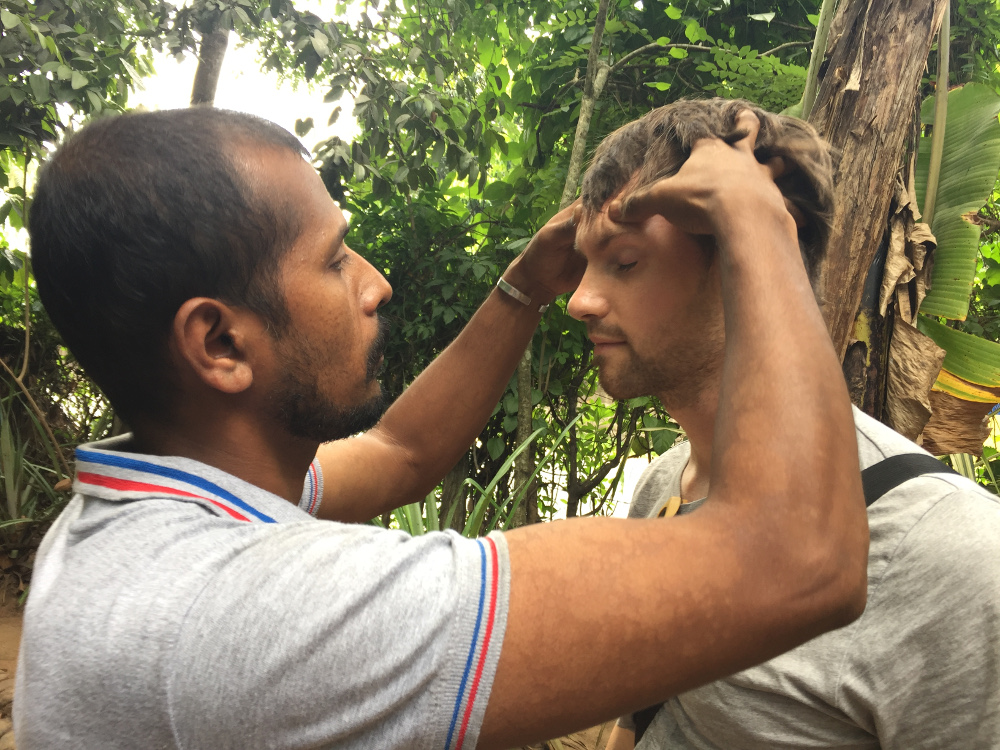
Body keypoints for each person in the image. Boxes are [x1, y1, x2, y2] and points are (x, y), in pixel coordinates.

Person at [16, 105, 867, 750]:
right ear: (220, 342)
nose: (375, 282)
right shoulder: (251, 614)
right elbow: (795, 560)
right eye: (335, 258)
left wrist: (525, 286)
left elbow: (401, 454)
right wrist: (761, 223)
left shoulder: (157, 518)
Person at [569, 99, 1000, 750]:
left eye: (625, 262)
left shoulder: (949, 559)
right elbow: (641, 717)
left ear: (752, 252)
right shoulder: (662, 487)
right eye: (583, 264)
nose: (578, 300)